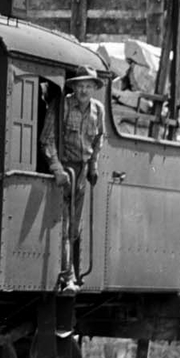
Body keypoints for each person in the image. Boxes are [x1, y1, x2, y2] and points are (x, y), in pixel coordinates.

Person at [41, 69, 105, 292]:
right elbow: (47, 140)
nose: (84, 90)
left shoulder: (98, 110)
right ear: (74, 87)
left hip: (82, 171)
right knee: (65, 226)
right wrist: (57, 169)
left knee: (75, 228)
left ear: (94, 88)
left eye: (88, 86)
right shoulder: (62, 106)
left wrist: (94, 165)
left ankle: (71, 273)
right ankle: (66, 276)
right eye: (80, 86)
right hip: (65, 169)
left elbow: (99, 139)